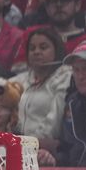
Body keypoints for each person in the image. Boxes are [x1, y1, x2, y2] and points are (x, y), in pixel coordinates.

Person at [10, 26, 71, 161]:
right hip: (18, 148)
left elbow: (53, 123)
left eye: (43, 48)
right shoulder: (20, 80)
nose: (36, 52)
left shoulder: (65, 77)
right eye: (32, 48)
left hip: (48, 152)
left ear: (57, 50)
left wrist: (29, 145)